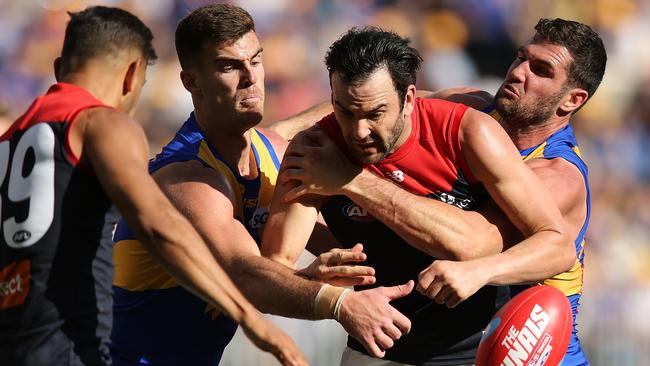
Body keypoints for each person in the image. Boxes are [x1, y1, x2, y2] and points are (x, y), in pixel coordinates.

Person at [267, 19, 606, 366]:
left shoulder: (553, 174)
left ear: (571, 100)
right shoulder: (472, 108)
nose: (519, 72)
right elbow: (378, 98)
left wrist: (348, 179)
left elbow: (470, 246)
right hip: (448, 342)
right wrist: (273, 135)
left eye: (541, 70)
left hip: (535, 350)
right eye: (521, 58)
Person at [0, 6, 305, 366]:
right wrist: (249, 318)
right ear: (132, 75)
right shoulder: (103, 124)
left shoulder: (13, 136)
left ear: (58, 69)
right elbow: (158, 227)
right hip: (70, 341)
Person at [110, 5, 412, 366]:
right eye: (229, 66)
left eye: (256, 60)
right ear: (191, 82)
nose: (250, 78)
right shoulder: (187, 178)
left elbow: (337, 115)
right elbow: (244, 272)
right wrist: (340, 304)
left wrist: (304, 277)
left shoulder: (271, 153)